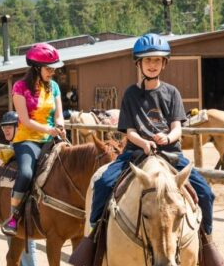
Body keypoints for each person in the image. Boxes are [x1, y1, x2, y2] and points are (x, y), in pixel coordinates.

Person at [90, 33, 216, 240]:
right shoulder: (131, 94)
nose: (152, 64)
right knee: (102, 184)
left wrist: (168, 138)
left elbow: (177, 128)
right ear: (139, 63)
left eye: (157, 60)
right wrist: (143, 142)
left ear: (164, 63)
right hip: (136, 153)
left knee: (205, 193)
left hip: (170, 154)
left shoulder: (172, 93)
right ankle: (95, 236)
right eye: (148, 60)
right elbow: (129, 131)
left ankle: (207, 241)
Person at [1, 43, 66, 236]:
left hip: (51, 137)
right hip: (27, 139)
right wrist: (49, 129)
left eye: (54, 68)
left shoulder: (54, 87)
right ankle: (13, 216)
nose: (52, 72)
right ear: (37, 68)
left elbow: (59, 114)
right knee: (27, 174)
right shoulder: (20, 88)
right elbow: (25, 121)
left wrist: (60, 125)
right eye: (49, 68)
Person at [0, 111, 43, 266]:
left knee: (24, 225)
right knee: (13, 229)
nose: (6, 131)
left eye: (9, 127)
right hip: (12, 198)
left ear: (19, 127)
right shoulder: (16, 145)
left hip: (30, 199)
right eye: (4, 128)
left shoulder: (25, 145)